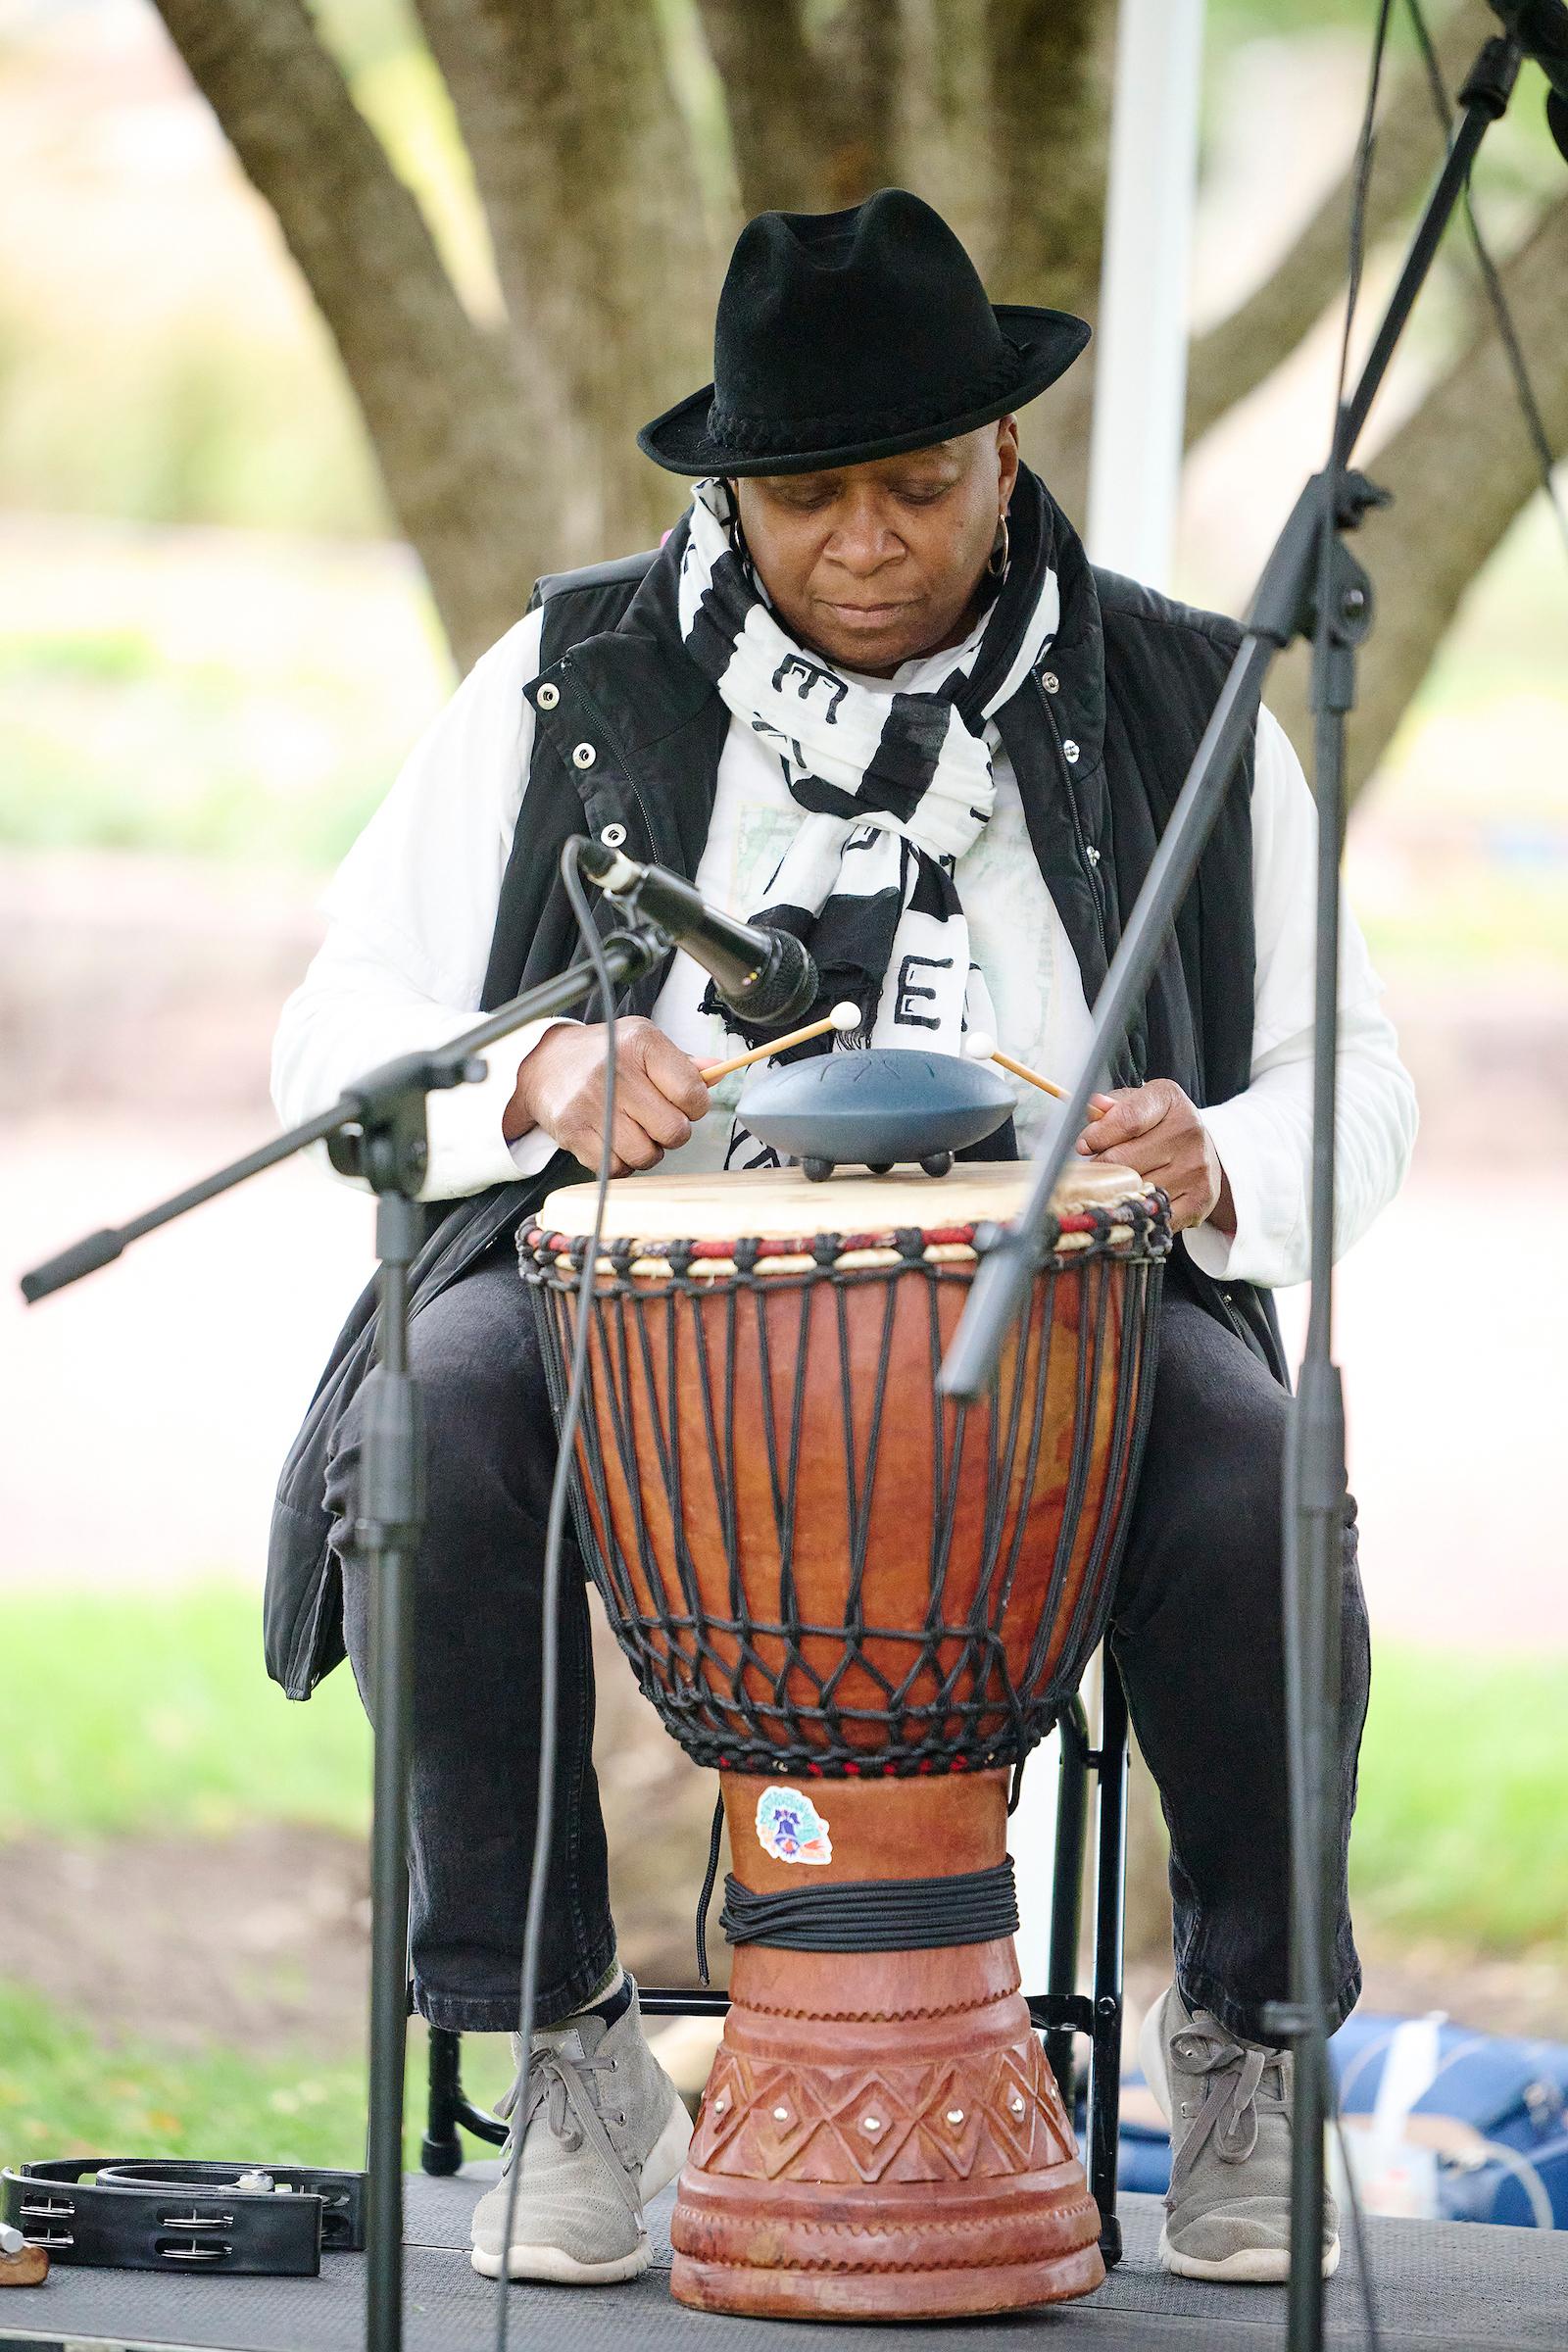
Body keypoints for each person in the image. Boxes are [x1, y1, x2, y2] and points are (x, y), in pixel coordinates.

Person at [269, 189, 1417, 2291]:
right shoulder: (572, 681)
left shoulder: (1180, 698)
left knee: (1262, 1467)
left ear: (1006, 459)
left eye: (917, 485)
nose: (867, 543)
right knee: (423, 1429)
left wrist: (1210, 1150)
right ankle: (559, 2048)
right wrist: (532, 1086)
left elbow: (1357, 1079)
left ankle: (1249, 2044)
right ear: (733, 490)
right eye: (808, 497)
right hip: (634, 1310)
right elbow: (332, 1030)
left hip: (1055, 1310)